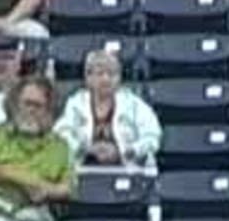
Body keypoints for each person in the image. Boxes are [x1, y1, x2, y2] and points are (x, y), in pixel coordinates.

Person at [0, 76, 73, 221]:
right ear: (14, 105)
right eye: (26, 104)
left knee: (29, 220)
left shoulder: (60, 146)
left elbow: (67, 188)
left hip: (28, 209)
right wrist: (12, 174)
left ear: (51, 111)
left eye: (37, 106)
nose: (30, 110)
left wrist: (46, 189)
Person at [55, 46, 159, 174]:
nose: (106, 79)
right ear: (88, 78)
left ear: (119, 78)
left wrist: (124, 150)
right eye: (99, 73)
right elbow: (61, 134)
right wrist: (86, 148)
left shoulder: (135, 105)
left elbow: (152, 137)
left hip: (128, 170)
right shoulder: (75, 104)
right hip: (82, 171)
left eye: (112, 74)